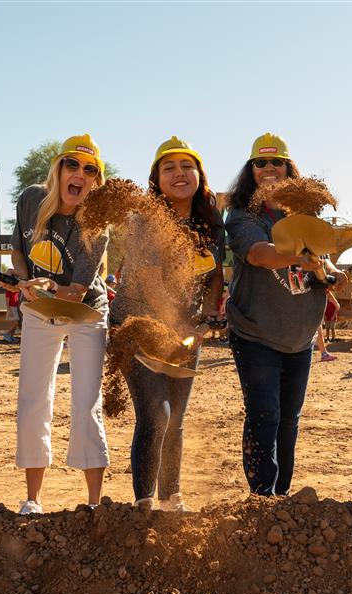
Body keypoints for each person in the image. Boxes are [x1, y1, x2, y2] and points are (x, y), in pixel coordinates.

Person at [226, 132, 348, 496]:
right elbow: (261, 255)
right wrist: (300, 257)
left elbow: (319, 263)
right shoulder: (242, 215)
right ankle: (261, 499)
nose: (268, 169)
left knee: (289, 422)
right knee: (265, 416)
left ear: (288, 168)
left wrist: (330, 277)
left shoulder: (305, 214)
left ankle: (281, 498)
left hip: (300, 337)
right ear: (251, 170)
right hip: (256, 334)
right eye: (260, 163)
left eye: (276, 162)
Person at [110, 137, 225, 511]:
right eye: (169, 168)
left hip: (186, 332)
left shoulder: (208, 221)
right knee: (155, 412)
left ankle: (171, 499)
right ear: (156, 179)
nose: (179, 174)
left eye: (186, 166)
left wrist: (207, 316)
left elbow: (215, 277)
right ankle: (143, 505)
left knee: (176, 417)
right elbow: (149, 282)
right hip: (140, 327)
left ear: (199, 175)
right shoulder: (146, 222)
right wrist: (182, 327)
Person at [5, 134, 110, 514]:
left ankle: (94, 503)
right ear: (58, 169)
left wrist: (45, 286)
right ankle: (33, 500)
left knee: (86, 401)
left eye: (89, 169)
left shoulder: (98, 224)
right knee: (33, 398)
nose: (79, 174)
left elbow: (78, 290)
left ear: (95, 181)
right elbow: (18, 249)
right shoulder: (32, 199)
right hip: (39, 307)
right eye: (72, 164)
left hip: (85, 311)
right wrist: (22, 279)